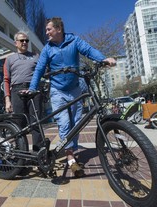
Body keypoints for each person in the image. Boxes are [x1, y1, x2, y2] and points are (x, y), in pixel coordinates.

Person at [27, 17, 116, 177]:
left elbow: (88, 50)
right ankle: (70, 157)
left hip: (75, 89)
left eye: (49, 29)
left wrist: (103, 59)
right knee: (65, 123)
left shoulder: (74, 41)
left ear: (59, 29)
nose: (46, 32)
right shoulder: (47, 48)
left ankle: (71, 152)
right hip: (57, 91)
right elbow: (40, 68)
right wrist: (33, 87)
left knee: (77, 123)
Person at [3, 31, 43, 152]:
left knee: (36, 123)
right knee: (18, 124)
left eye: (26, 40)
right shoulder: (9, 59)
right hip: (17, 91)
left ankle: (39, 153)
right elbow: (6, 80)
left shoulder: (36, 56)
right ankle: (21, 153)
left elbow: (44, 72)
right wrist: (7, 100)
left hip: (34, 90)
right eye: (22, 40)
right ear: (16, 43)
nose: (25, 42)